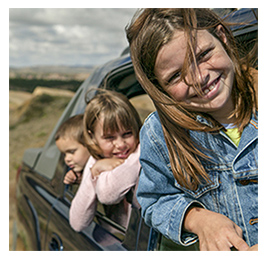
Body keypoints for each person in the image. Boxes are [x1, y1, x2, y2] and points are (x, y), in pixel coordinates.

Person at [126, 8, 258, 251]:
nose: (198, 78)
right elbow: (154, 199)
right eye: (176, 76)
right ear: (160, 87)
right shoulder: (160, 135)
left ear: (223, 37)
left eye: (203, 54)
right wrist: (198, 219)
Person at [69, 89, 142, 232]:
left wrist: (133, 161)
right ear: (93, 136)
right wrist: (94, 171)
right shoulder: (96, 158)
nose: (120, 144)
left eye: (127, 134)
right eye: (109, 138)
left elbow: (107, 193)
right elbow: (77, 223)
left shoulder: (141, 151)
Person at [55, 114, 90, 185]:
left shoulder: (106, 167)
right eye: (64, 154)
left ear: (90, 143)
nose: (67, 159)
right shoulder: (77, 173)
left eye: (72, 152)